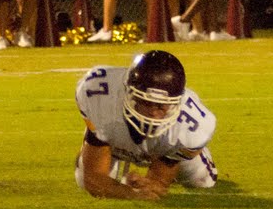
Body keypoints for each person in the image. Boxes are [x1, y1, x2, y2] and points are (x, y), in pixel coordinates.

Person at [73, 48, 218, 200]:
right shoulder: (100, 94)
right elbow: (93, 178)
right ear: (129, 93)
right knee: (83, 180)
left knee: (202, 181)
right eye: (147, 103)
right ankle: (112, 144)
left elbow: (157, 183)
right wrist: (130, 193)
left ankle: (195, 156)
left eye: (162, 105)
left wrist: (150, 185)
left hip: (165, 146)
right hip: (115, 136)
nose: (154, 113)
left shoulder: (193, 126)